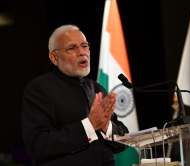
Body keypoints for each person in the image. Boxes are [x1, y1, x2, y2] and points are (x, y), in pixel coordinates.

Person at [21, 24, 129, 166]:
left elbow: (123, 142)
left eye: (85, 46)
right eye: (72, 48)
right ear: (54, 57)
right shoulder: (39, 89)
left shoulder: (97, 88)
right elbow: (38, 145)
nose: (82, 52)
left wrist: (106, 126)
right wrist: (89, 125)